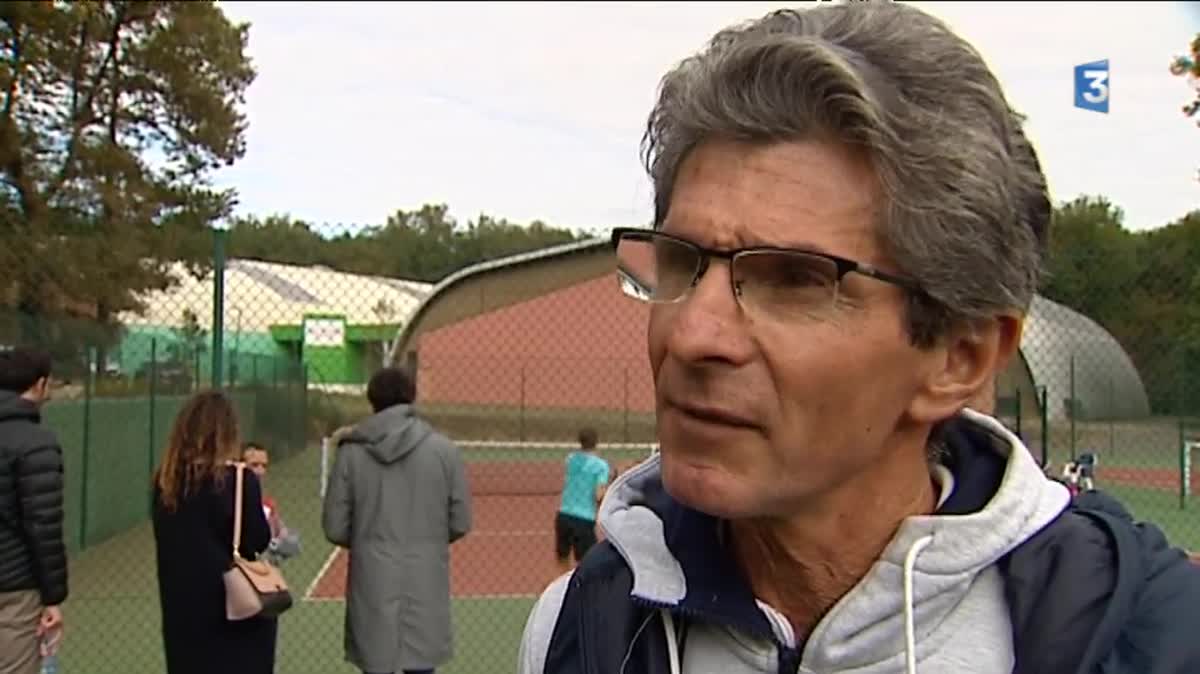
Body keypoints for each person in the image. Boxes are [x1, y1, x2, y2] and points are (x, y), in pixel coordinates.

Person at [518, 3, 1200, 673]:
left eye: (794, 279)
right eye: (681, 261)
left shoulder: (1152, 640)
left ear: (958, 358)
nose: (695, 334)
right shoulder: (577, 631)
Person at [322, 366, 473, 674]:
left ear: (372, 399)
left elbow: (334, 526)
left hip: (372, 580)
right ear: (411, 397)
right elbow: (460, 521)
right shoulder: (444, 451)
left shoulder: (351, 453)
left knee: (375, 661)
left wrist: (369, 537)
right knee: (421, 663)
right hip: (426, 577)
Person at [151, 391, 276, 674]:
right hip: (235, 607)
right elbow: (257, 539)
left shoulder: (166, 482)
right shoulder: (239, 480)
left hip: (182, 608)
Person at [0, 347, 67, 674]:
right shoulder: (37, 442)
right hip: (14, 590)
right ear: (40, 385)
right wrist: (53, 596)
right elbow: (43, 524)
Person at [554, 428, 611, 574]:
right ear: (597, 442)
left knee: (562, 558)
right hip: (584, 519)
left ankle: (562, 589)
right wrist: (610, 490)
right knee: (588, 563)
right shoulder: (601, 466)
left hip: (564, 514)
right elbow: (598, 494)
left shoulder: (571, 459)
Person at [242, 442, 300, 565]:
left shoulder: (268, 504)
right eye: (254, 465)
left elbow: (282, 534)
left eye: (264, 466)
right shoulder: (228, 502)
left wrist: (282, 541)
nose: (260, 471)